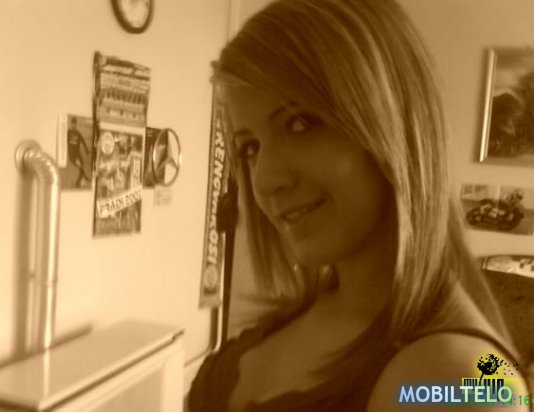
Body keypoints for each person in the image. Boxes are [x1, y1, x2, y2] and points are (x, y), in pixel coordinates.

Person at [188, 0, 532, 410]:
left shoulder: (471, 380)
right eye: (250, 147)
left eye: (300, 123)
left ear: (392, 123)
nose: (263, 180)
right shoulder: (314, 310)